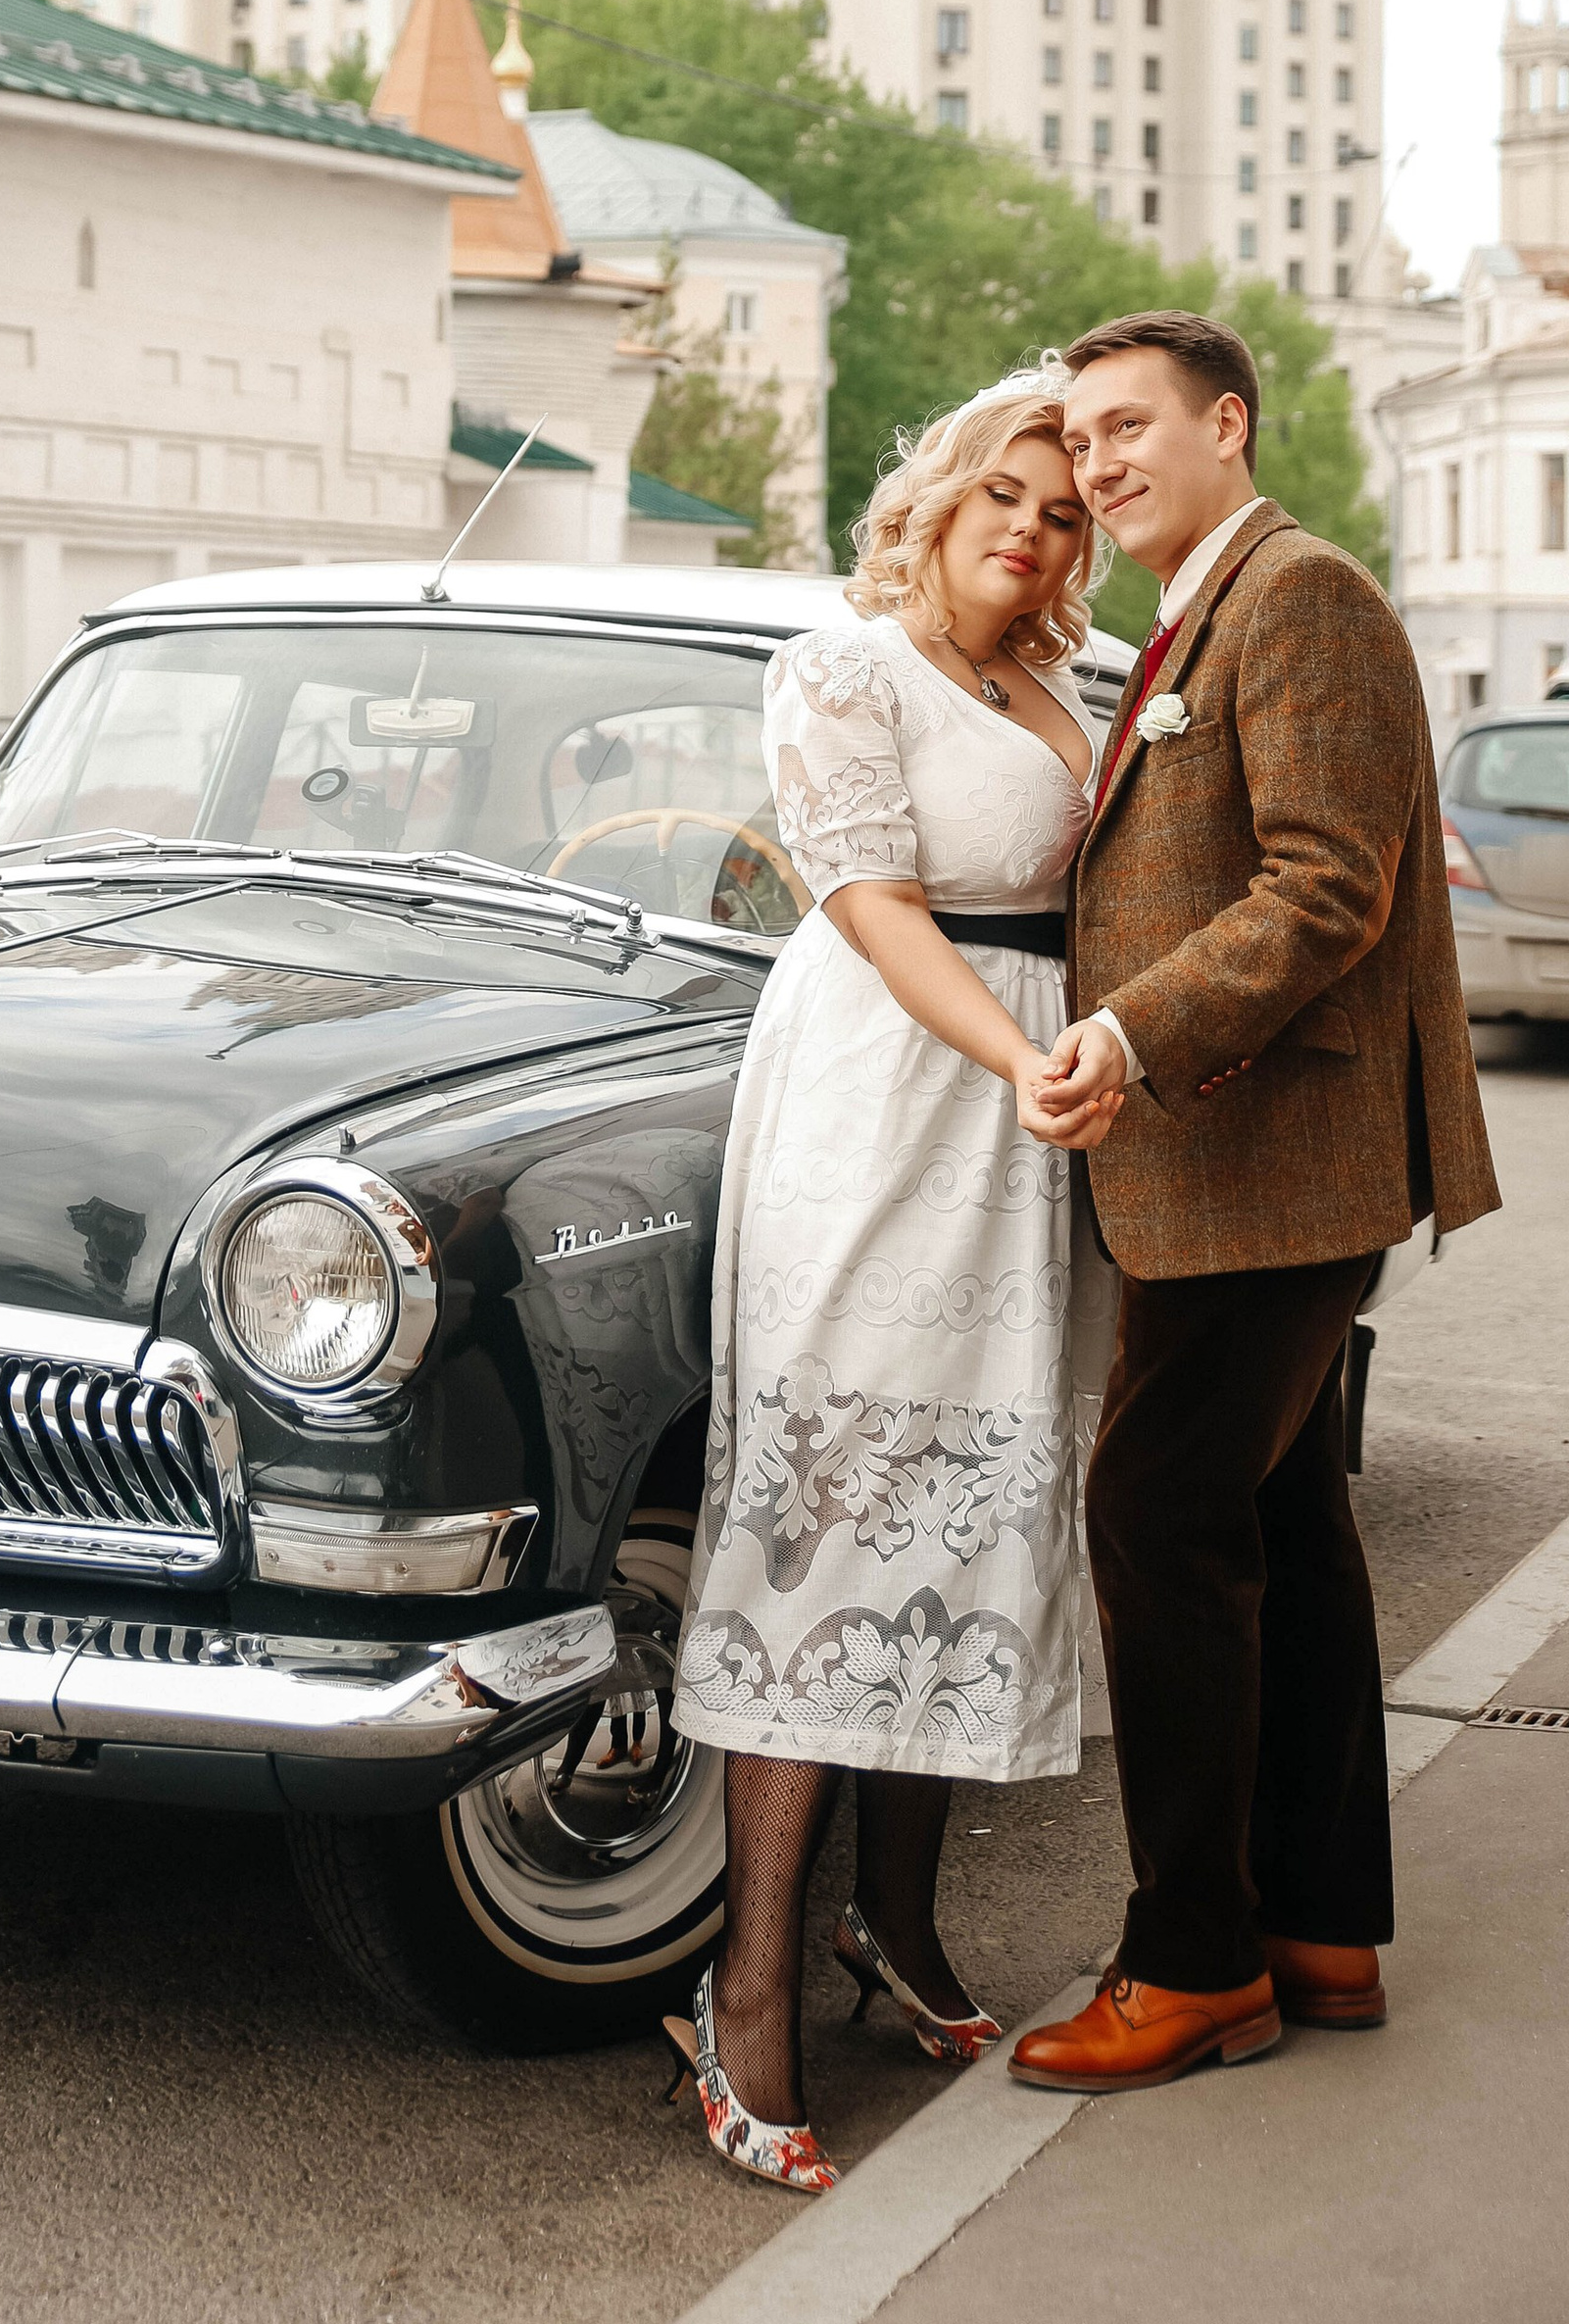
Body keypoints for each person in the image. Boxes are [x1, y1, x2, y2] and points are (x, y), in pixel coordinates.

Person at [1003, 310, 1500, 2100]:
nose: (1101, 459)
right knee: (1284, 1535)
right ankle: (1319, 1930)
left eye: (1132, 424)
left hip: (1271, 1162)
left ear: (1230, 419)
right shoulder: (1198, 609)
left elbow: (1323, 892)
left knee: (1153, 1514)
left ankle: (1193, 1962)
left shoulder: (1301, 596)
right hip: (1227, 1166)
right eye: (1082, 433)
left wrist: (1125, 1031)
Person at [668, 373, 1118, 2194]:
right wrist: (1018, 1063)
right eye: (1001, 492)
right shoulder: (840, 660)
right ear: (930, 497)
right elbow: (872, 905)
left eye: (1065, 509)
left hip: (1033, 1114)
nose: (1030, 526)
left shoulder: (1070, 687)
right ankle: (747, 1986)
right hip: (891, 1086)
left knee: (970, 1513)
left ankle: (900, 1930)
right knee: (840, 1514)